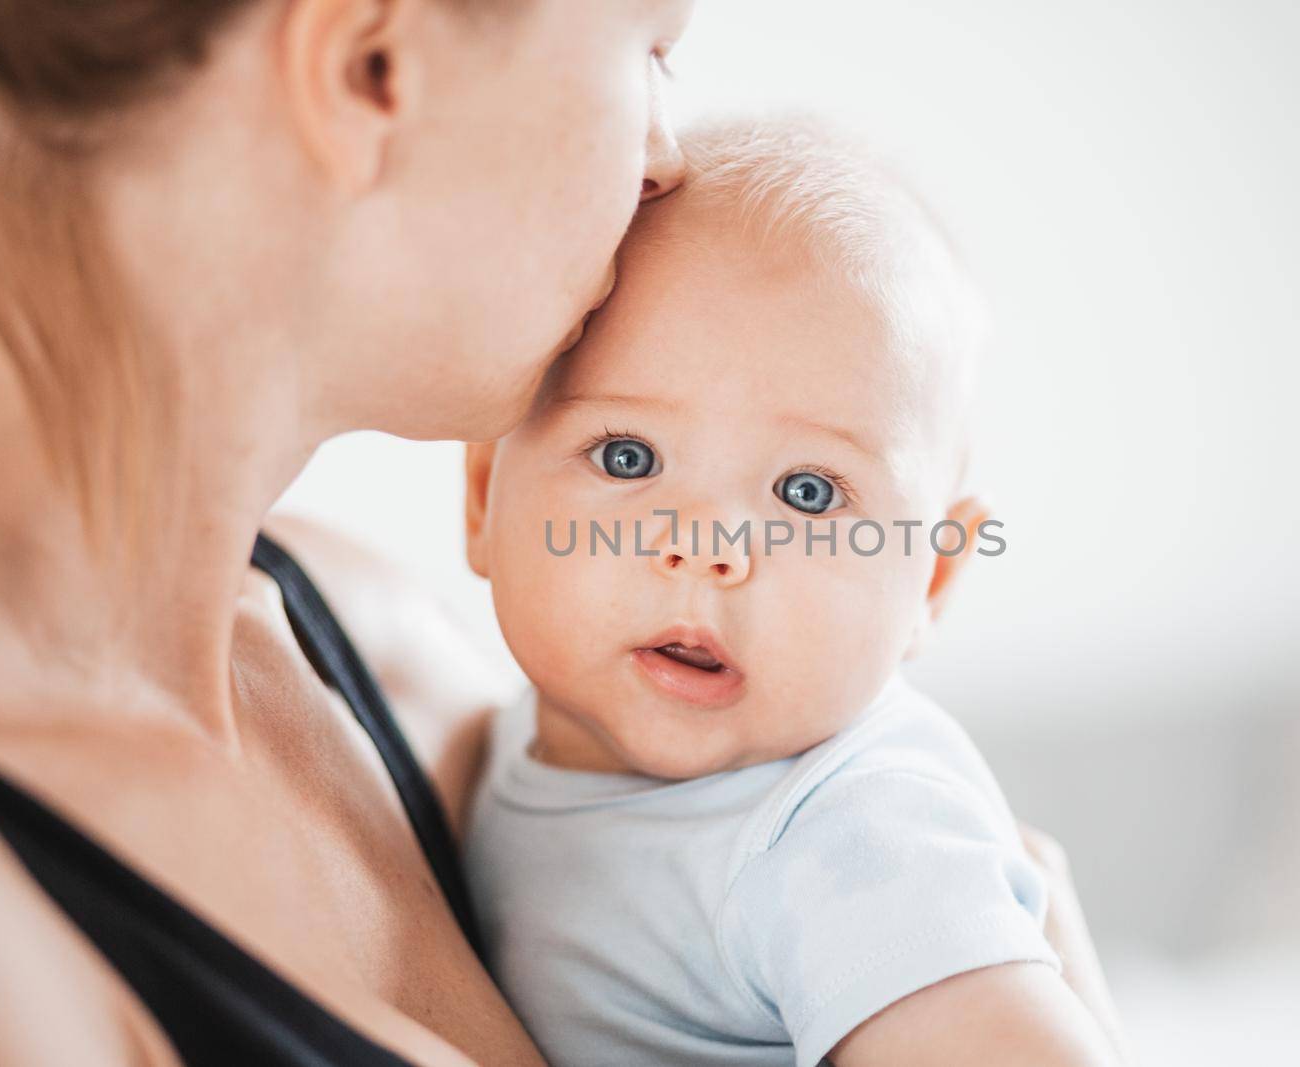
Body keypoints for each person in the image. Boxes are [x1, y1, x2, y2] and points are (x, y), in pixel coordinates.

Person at [0, 1, 1119, 1064]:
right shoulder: (5, 947)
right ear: (371, 68)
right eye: (648, 49)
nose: (666, 157)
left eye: (808, 493)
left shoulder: (406, 659)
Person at [461, 119, 1131, 1066]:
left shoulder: (849, 836)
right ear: (486, 498)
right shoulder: (499, 738)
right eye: (627, 455)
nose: (708, 547)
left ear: (930, 579)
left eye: (807, 494)